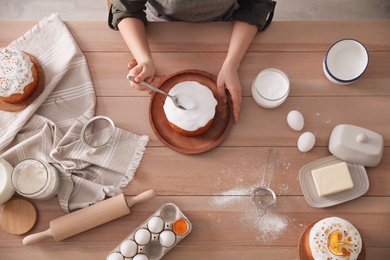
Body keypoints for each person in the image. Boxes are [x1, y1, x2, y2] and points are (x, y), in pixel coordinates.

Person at [108, 0, 276, 121]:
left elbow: (255, 7)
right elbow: (126, 9)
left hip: (227, 26)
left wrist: (232, 63)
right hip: (160, 27)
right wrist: (144, 59)